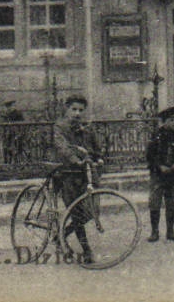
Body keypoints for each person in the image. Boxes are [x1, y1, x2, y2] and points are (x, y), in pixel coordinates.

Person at [48, 95, 103, 263]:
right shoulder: (60, 127)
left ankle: (60, 236)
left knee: (91, 212)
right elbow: (62, 147)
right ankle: (87, 251)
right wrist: (75, 160)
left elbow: (96, 147)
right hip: (68, 174)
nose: (77, 113)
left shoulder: (87, 127)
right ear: (67, 109)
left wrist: (99, 158)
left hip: (87, 174)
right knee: (77, 213)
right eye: (74, 109)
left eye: (80, 110)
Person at [145, 107, 174, 241]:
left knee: (171, 203)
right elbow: (149, 156)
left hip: (173, 176)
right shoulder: (156, 136)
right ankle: (154, 232)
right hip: (158, 176)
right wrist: (160, 166)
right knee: (155, 202)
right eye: (171, 120)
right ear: (164, 122)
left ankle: (170, 231)